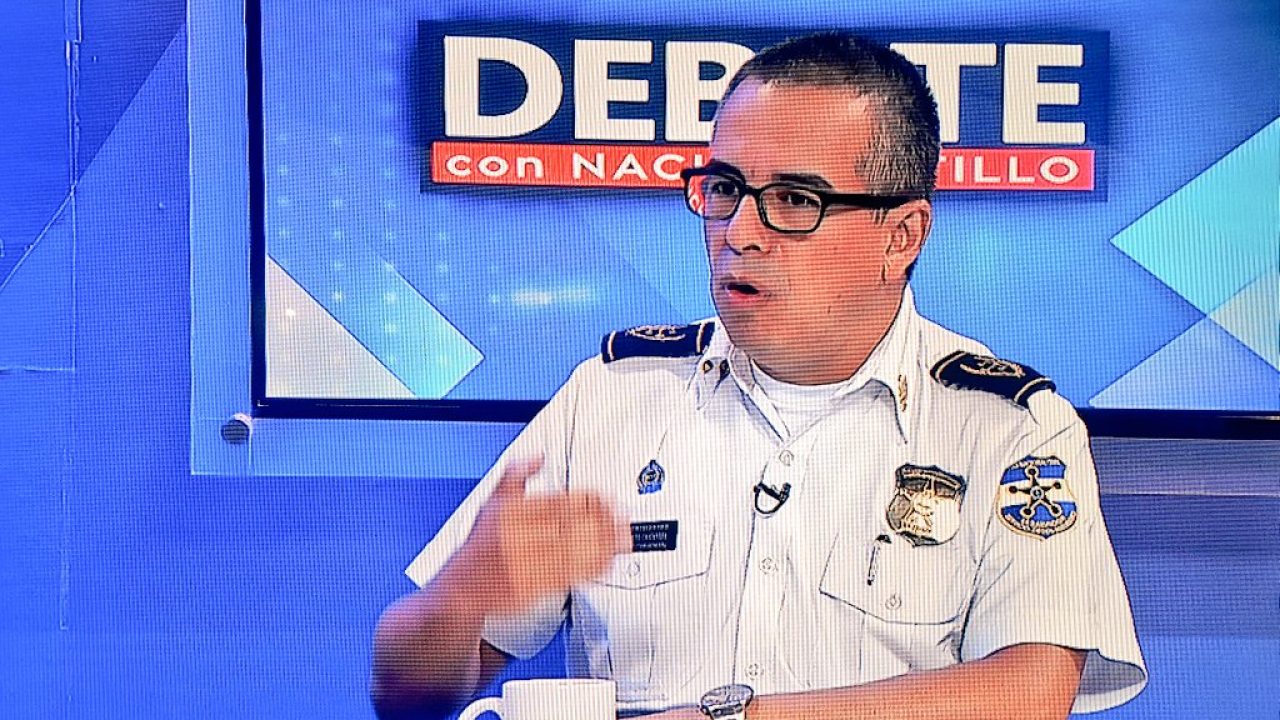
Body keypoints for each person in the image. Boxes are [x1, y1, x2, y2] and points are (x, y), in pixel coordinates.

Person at [370, 32, 1147, 720]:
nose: (740, 232)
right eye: (724, 190)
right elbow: (406, 696)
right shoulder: (613, 397)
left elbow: (1030, 691)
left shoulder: (1008, 425)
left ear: (902, 236)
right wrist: (462, 596)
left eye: (794, 200)